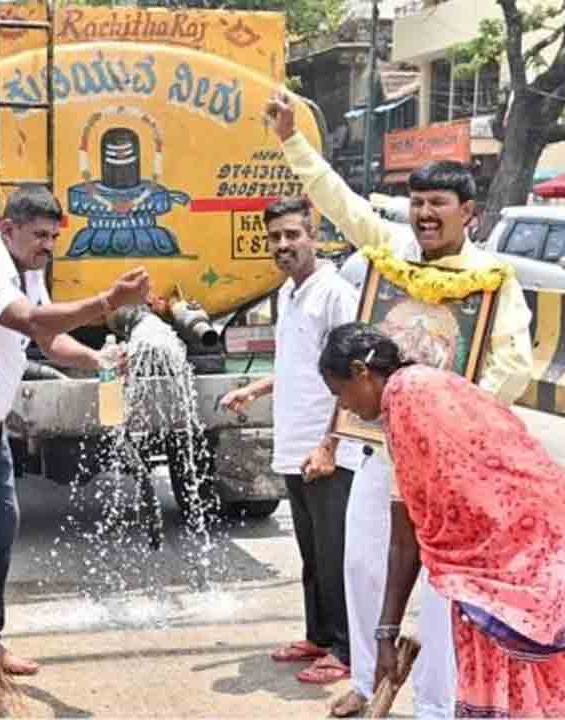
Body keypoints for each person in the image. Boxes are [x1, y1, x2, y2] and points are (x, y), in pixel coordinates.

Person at [267, 93, 534, 719]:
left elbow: (512, 368)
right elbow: (338, 202)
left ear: (468, 211)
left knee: (443, 586)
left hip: (451, 460)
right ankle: (366, 677)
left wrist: (453, 419)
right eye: (417, 203)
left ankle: (435, 706)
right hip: (381, 447)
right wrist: (291, 142)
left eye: (438, 203)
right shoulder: (391, 251)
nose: (423, 214)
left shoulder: (494, 279)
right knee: (360, 562)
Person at [0, 184, 150, 677]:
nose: (47, 245)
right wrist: (107, 301)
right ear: (9, 230)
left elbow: (48, 337)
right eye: (39, 235)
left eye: (53, 237)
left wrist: (94, 358)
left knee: (0, 531)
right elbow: (27, 320)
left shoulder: (28, 272)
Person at [318, 322, 565, 717]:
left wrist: (385, 634)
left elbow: (407, 533)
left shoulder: (407, 400)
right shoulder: (423, 386)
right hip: (554, 531)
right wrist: (387, 631)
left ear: (362, 373)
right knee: (528, 677)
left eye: (339, 393)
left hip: (522, 548)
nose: (343, 407)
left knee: (505, 666)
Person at [218, 197, 363, 685]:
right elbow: (300, 364)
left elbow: (353, 377)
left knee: (336, 550)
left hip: (330, 448)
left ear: (313, 235)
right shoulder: (287, 293)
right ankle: (319, 636)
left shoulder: (335, 294)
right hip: (294, 442)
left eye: (292, 235)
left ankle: (345, 651)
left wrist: (329, 445)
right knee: (311, 551)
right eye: (275, 237)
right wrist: (255, 388)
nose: (283, 244)